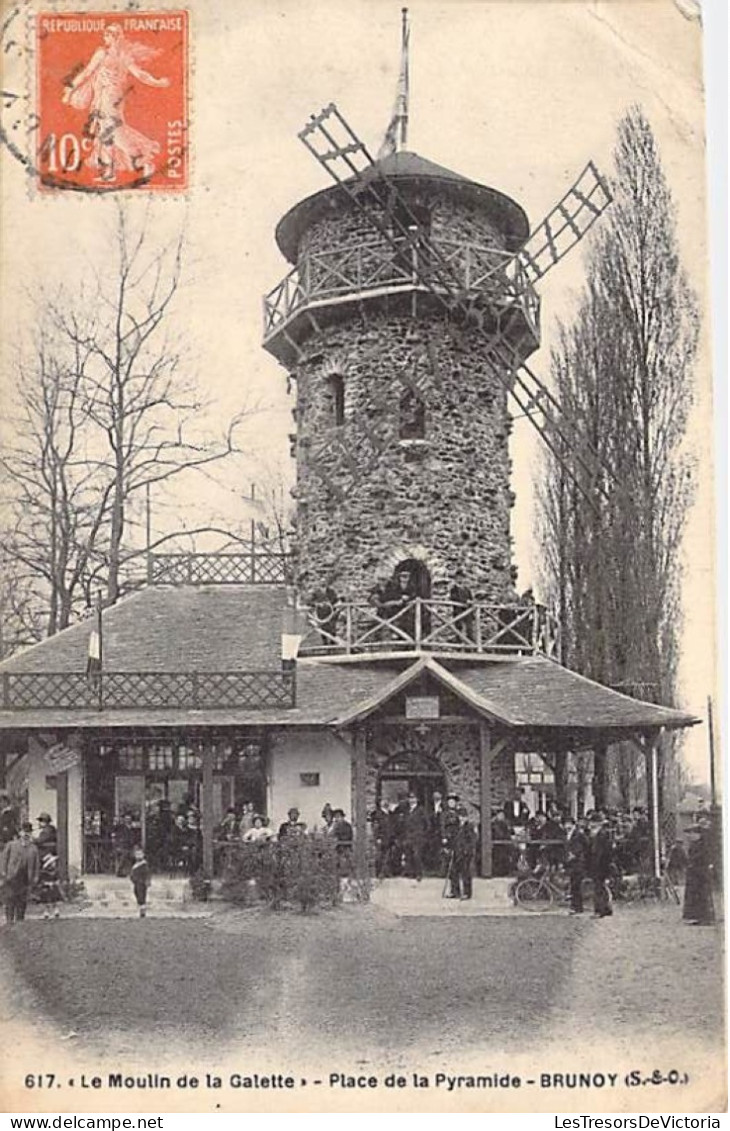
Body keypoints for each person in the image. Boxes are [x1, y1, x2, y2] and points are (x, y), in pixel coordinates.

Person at [61, 23, 170, 182]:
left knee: (113, 132)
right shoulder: (114, 55)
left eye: (108, 34)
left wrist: (70, 90)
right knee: (104, 133)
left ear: (115, 37)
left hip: (109, 97)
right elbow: (140, 75)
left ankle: (144, 161)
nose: (105, 37)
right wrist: (158, 82)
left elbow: (87, 73)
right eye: (105, 34)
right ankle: (109, 172)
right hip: (110, 97)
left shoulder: (108, 54)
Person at [0, 823, 40, 923]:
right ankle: (9, 920)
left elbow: (36, 864)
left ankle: (20, 921)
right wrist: (3, 872)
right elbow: (4, 859)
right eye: (24, 832)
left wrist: (35, 876)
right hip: (12, 877)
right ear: (20, 832)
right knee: (10, 898)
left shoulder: (33, 848)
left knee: (22, 900)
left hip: (25, 878)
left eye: (28, 832)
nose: (26, 834)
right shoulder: (11, 845)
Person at [683, 814, 715, 925]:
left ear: (698, 834)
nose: (690, 836)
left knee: (702, 893)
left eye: (693, 833)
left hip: (701, 872)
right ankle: (696, 916)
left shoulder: (703, 844)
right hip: (694, 872)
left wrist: (693, 862)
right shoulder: (694, 845)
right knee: (695, 894)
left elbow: (704, 857)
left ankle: (706, 917)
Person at [587, 812, 613, 918]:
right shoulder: (597, 834)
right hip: (598, 863)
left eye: (592, 822)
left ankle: (599, 910)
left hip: (600, 864)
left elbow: (602, 852)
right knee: (601, 887)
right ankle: (606, 908)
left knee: (598, 888)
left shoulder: (601, 834)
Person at [449, 806, 477, 899]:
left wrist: (467, 850)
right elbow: (453, 838)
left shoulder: (469, 827)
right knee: (453, 872)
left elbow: (472, 840)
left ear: (466, 817)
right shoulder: (455, 827)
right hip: (456, 852)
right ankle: (455, 891)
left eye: (463, 816)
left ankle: (467, 893)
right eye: (460, 816)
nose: (462, 818)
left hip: (465, 854)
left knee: (465, 873)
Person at [563, 814, 588, 915]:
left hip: (579, 862)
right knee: (573, 885)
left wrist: (576, 854)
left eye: (569, 824)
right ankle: (575, 906)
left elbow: (585, 846)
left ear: (573, 824)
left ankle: (577, 907)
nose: (567, 826)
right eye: (565, 824)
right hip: (571, 863)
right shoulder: (567, 835)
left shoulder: (578, 834)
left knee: (576, 885)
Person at [402, 793, 429, 881]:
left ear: (417, 799)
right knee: (409, 855)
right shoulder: (407, 811)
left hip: (418, 837)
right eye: (410, 798)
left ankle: (419, 873)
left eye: (413, 798)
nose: (411, 800)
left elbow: (427, 824)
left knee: (417, 855)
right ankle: (411, 873)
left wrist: (423, 833)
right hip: (408, 837)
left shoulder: (421, 810)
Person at [449, 569, 474, 645]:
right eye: (459, 577)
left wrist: (471, 602)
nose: (460, 579)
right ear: (456, 578)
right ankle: (459, 646)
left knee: (469, 629)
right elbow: (454, 598)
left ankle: (470, 647)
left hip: (467, 612)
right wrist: (465, 601)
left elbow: (471, 598)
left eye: (462, 577)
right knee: (459, 628)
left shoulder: (467, 589)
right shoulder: (454, 589)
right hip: (458, 611)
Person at [370, 798, 393, 879]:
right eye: (383, 801)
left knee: (388, 856)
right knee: (379, 856)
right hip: (381, 838)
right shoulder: (377, 814)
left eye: (387, 801)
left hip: (389, 838)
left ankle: (386, 872)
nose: (385, 803)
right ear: (380, 803)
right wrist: (377, 837)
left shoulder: (390, 813)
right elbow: (375, 828)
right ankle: (379, 872)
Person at [129, 845, 150, 918]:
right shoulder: (135, 865)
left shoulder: (144, 865)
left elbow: (147, 873)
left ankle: (142, 910)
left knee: (142, 896)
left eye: (140, 854)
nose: (138, 856)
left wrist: (147, 881)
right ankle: (141, 907)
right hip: (136, 882)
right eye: (137, 854)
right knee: (136, 893)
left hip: (142, 882)